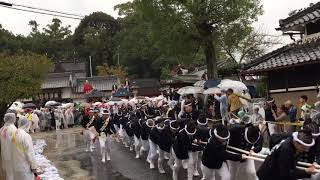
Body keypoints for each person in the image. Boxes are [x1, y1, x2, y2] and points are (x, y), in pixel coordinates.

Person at [0, 113, 17, 180]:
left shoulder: (2, 129)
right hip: (12, 153)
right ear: (12, 119)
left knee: (8, 171)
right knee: (12, 172)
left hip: (4, 153)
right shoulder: (13, 129)